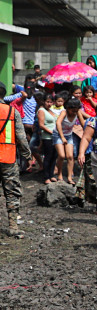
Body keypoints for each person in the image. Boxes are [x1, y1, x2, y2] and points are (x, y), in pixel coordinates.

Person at [0, 83, 30, 238]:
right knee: (12, 191)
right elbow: (21, 137)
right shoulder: (12, 111)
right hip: (8, 157)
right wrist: (28, 156)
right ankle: (13, 225)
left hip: (8, 157)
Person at [54, 96, 85, 185]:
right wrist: (62, 137)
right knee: (61, 155)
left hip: (69, 135)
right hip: (58, 135)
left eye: (76, 110)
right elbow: (58, 123)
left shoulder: (78, 112)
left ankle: (69, 177)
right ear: (68, 108)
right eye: (73, 110)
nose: (74, 112)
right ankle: (59, 175)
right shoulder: (64, 112)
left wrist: (87, 134)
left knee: (70, 156)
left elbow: (83, 123)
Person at [36, 93, 59, 184]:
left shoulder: (51, 111)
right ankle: (46, 177)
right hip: (47, 137)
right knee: (48, 156)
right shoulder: (41, 110)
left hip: (55, 137)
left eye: (51, 102)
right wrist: (51, 132)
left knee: (54, 156)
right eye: (47, 102)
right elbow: (41, 125)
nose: (49, 104)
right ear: (43, 101)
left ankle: (51, 175)